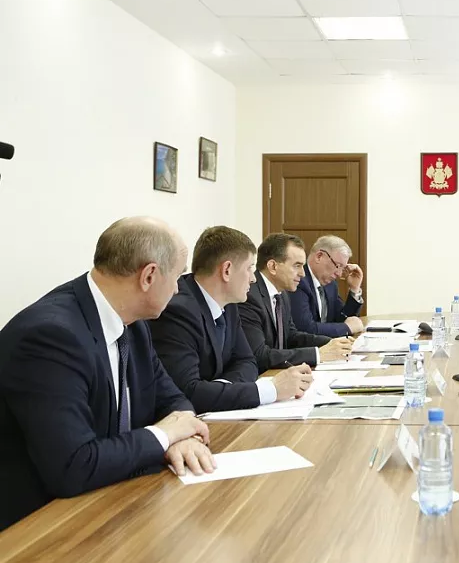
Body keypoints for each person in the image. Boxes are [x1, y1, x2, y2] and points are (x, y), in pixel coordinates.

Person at [0, 217, 215, 531]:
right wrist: (164, 436)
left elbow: (171, 397)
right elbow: (73, 465)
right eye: (177, 275)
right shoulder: (50, 337)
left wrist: (182, 437)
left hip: (112, 500)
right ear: (149, 276)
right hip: (39, 525)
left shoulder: (132, 321)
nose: (178, 288)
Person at [149, 227, 314, 415]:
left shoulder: (229, 304)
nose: (253, 279)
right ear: (226, 270)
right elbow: (189, 392)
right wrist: (272, 390)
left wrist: (221, 389)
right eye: (249, 268)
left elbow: (247, 361)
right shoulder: (178, 310)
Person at [239, 233, 353, 372]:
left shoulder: (282, 294)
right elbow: (260, 355)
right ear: (273, 266)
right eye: (297, 266)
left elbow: (291, 336)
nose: (302, 274)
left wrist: (332, 343)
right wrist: (317, 354)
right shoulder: (249, 297)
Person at [288, 235, 365, 337]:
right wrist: (346, 328)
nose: (339, 274)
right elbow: (306, 329)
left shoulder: (330, 284)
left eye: (342, 268)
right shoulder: (298, 281)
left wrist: (354, 289)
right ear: (319, 256)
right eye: (337, 266)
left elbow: (343, 319)